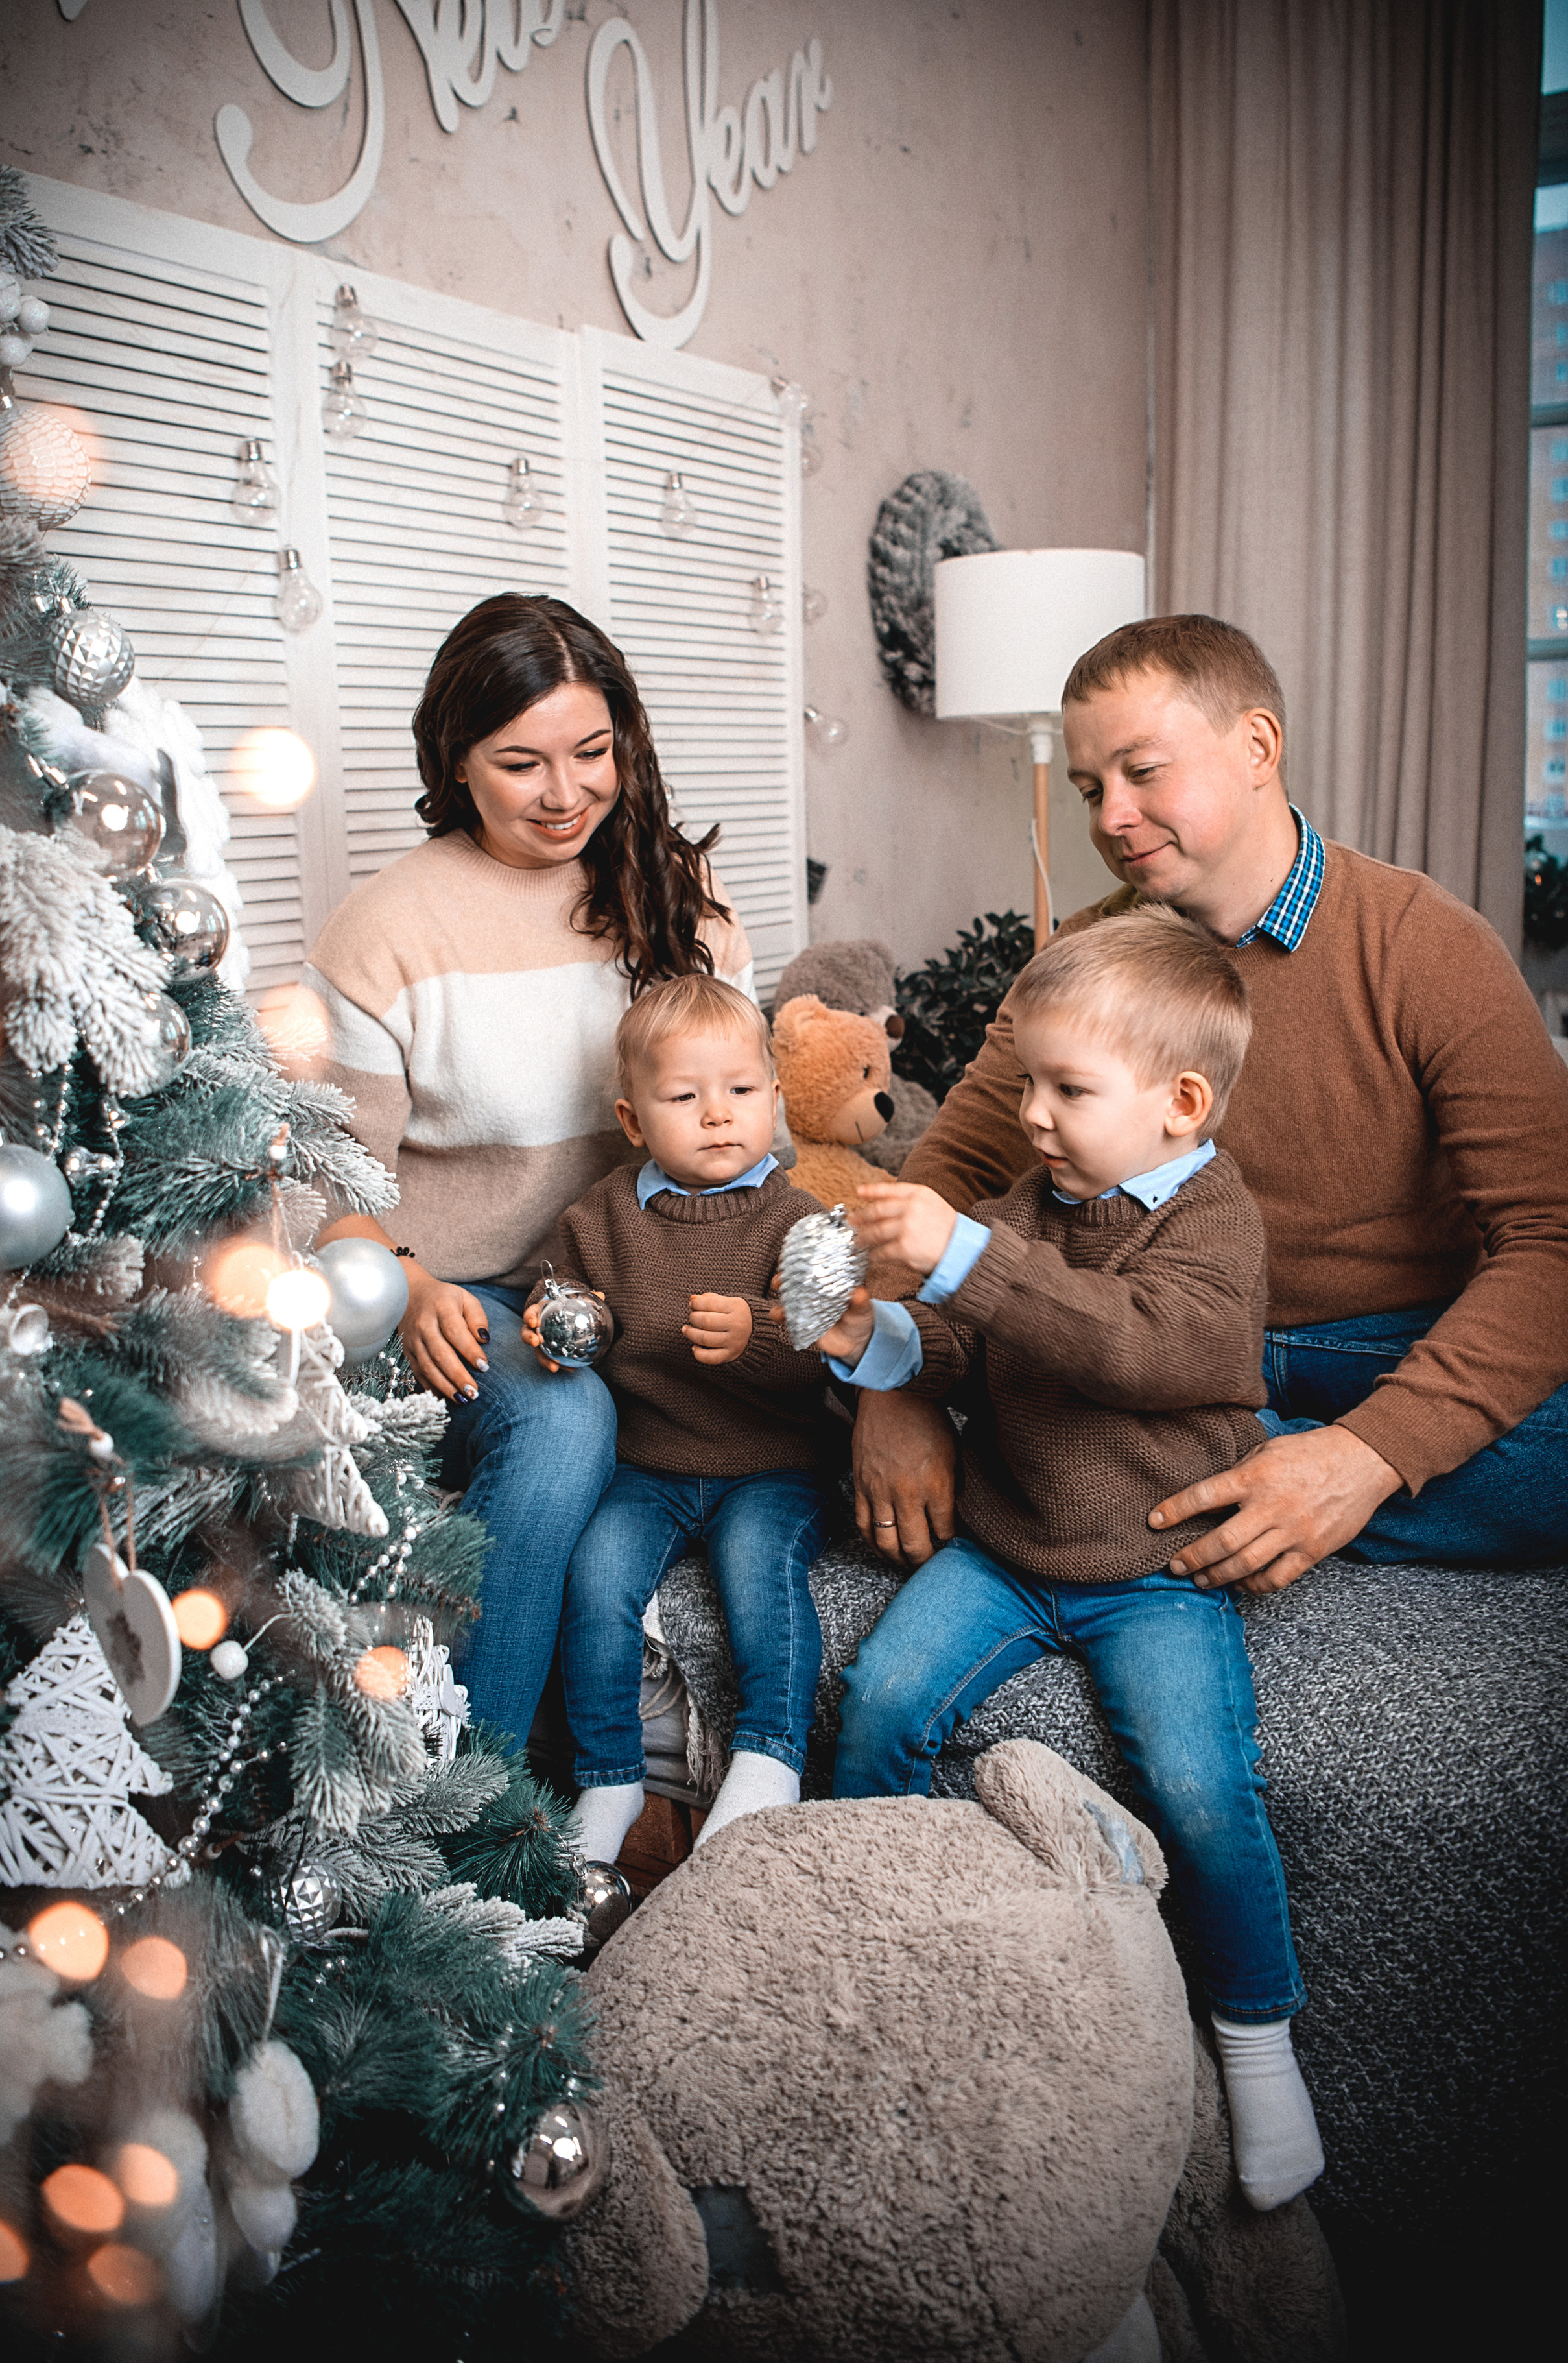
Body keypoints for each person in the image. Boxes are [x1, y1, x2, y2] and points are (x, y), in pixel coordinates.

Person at [854, 615, 1568, 1587]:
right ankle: (1203, 1482)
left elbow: (1550, 1239)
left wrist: (1369, 1456)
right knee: (819, 1377)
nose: (1109, 816)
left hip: (1375, 1345)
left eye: (1142, 773)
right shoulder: (1084, 958)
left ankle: (1199, 1484)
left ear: (1258, 747)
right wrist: (893, 1394)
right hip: (1134, 1333)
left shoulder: (1427, 945)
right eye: (1089, 788)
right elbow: (955, 1166)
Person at [818, 909, 1324, 2213]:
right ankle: (880, 1943)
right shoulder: (1019, 1209)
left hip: (1154, 1565)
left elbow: (1137, 1346)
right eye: (1026, 1082)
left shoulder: (1213, 1227)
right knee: (877, 1700)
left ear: (1179, 1104)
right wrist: (867, 1342)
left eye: (1067, 1090)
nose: (1031, 1116)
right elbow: (965, 1349)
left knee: (1199, 1781)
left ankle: (1257, 2042)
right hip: (1010, 1544)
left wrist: (974, 1263)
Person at [300, 594, 759, 1748]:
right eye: (520, 763)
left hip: (649, 1268)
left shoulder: (683, 905)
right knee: (562, 1428)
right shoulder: (385, 928)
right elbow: (324, 1184)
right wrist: (405, 1284)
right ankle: (474, 1800)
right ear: (456, 764)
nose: (565, 795)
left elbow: (756, 1134)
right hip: (467, 1295)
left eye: (593, 753)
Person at [526, 974, 836, 1857]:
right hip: (651, 1461)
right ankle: (609, 1778)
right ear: (633, 1122)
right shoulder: (602, 1218)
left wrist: (764, 1332)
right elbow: (568, 1300)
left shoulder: (800, 1219)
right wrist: (558, 1326)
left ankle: (771, 1756)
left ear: (773, 1100)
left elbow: (838, 1352)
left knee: (757, 1572)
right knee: (596, 1576)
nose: (717, 1115)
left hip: (775, 1461)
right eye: (684, 1097)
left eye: (740, 1092)